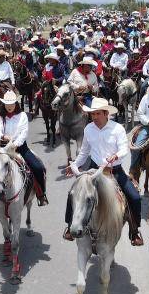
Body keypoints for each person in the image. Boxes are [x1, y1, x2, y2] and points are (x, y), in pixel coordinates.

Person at [62, 97, 144, 246]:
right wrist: (75, 163)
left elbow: (124, 148)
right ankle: (69, 226)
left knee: (135, 197)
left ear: (106, 113)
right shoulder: (88, 129)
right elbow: (84, 152)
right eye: (92, 114)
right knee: (73, 193)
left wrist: (116, 156)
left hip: (114, 171)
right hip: (93, 170)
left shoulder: (117, 129)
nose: (94, 117)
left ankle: (135, 231)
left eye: (97, 114)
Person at [0, 91, 49, 206]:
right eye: (7, 104)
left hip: (20, 147)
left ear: (16, 103)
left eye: (11, 104)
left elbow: (24, 133)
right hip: (3, 148)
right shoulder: (0, 116)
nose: (9, 106)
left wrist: (15, 144)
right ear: (4, 104)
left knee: (38, 167)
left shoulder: (22, 116)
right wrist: (3, 136)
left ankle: (41, 195)